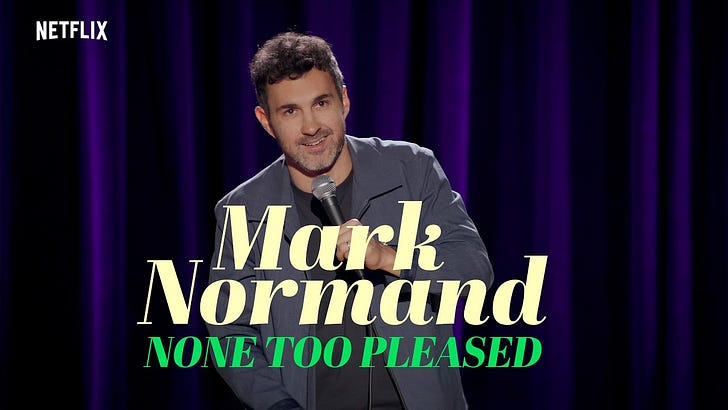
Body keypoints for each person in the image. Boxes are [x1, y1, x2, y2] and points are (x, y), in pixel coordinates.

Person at [207, 31, 494, 410]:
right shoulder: (244, 211)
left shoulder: (411, 168)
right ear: (266, 121)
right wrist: (278, 405)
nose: (311, 126)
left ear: (344, 100)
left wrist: (387, 257)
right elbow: (230, 334)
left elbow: (474, 272)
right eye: (290, 111)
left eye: (321, 103)